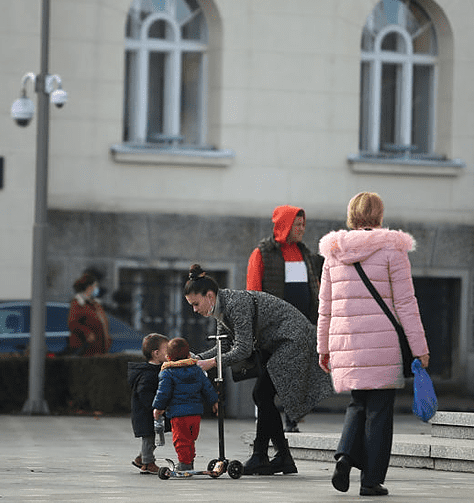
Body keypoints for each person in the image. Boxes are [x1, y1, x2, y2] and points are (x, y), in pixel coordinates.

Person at [317, 191, 430, 497]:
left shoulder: (333, 253)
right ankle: (370, 481)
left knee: (358, 402)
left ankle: (344, 456)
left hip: (346, 341)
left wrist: (323, 347)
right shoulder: (393, 250)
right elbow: (406, 304)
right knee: (379, 410)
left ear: (352, 215)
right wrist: (419, 347)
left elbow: (324, 306)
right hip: (383, 343)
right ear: (379, 216)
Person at [184, 264, 334, 476]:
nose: (195, 310)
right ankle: (281, 457)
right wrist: (198, 358)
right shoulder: (221, 309)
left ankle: (262, 456)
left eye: (196, 303)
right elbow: (224, 346)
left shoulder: (235, 304)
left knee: (261, 394)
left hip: (293, 340)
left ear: (209, 295)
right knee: (263, 396)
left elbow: (243, 349)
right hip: (280, 344)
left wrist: (210, 363)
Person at [246, 205, 323, 432]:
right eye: (297, 224)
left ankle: (292, 420)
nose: (301, 229)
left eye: (303, 224)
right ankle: (266, 423)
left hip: (302, 326)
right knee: (269, 380)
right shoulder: (262, 254)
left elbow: (313, 288)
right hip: (273, 328)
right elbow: (252, 292)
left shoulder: (305, 253)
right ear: (284, 225)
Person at [152, 337, 219, 472]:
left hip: (178, 414)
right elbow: (207, 387)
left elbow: (163, 393)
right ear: (189, 355)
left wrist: (158, 408)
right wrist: (215, 402)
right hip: (195, 414)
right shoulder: (197, 370)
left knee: (180, 440)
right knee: (190, 438)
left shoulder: (168, 372)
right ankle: (189, 460)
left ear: (168, 357)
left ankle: (184, 463)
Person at [128, 332, 169, 474]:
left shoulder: (158, 370)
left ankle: (141, 458)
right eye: (167, 350)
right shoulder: (148, 373)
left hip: (152, 412)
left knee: (153, 437)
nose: (169, 352)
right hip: (146, 413)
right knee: (149, 437)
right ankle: (147, 463)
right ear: (156, 354)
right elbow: (144, 393)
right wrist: (155, 407)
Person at [66, 272, 112, 356]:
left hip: (99, 349)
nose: (96, 289)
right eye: (95, 286)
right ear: (89, 287)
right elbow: (73, 323)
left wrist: (107, 339)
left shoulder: (95, 304)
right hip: (85, 349)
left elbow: (102, 322)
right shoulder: (78, 303)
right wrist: (87, 333)